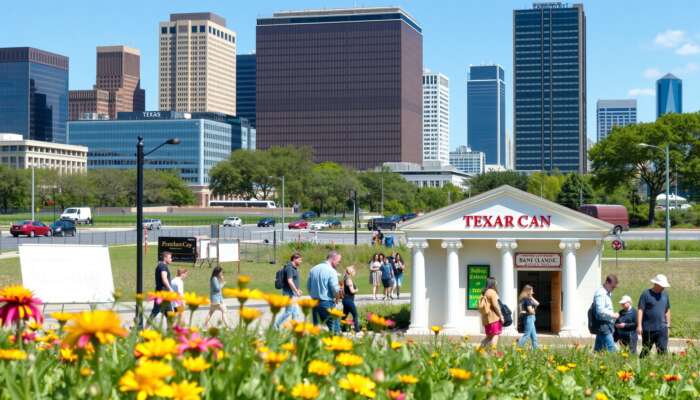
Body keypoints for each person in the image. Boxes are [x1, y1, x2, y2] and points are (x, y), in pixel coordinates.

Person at [637, 274, 671, 358]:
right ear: (656, 284)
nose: (664, 287)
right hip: (648, 329)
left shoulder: (665, 294)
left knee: (663, 350)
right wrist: (639, 325)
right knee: (646, 350)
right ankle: (641, 366)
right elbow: (640, 309)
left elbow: (667, 310)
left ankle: (663, 368)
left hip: (662, 328)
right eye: (662, 286)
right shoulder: (646, 294)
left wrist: (668, 325)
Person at [307, 250, 342, 332]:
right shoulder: (331, 271)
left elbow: (308, 286)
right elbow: (335, 288)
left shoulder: (313, 269)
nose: (338, 263)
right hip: (327, 302)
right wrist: (338, 297)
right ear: (333, 258)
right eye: (338, 261)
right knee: (335, 330)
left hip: (314, 302)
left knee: (316, 331)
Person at [275, 253, 304, 328]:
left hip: (292, 293)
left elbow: (293, 281)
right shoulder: (289, 268)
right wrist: (296, 291)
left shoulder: (293, 268)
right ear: (294, 259)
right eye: (300, 260)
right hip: (288, 293)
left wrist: (298, 289)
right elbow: (290, 281)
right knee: (288, 312)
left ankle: (294, 328)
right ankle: (275, 325)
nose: (301, 261)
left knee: (296, 312)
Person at [593, 274, 620, 352]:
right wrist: (613, 315)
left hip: (605, 325)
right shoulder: (601, 293)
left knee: (598, 351)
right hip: (603, 325)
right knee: (612, 350)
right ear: (607, 283)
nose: (613, 289)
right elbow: (600, 310)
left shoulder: (606, 293)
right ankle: (615, 363)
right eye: (612, 287)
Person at [478, 277, 504, 348]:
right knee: (495, 335)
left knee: (489, 337)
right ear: (493, 283)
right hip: (493, 318)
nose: (497, 283)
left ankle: (478, 351)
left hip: (486, 319)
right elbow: (495, 306)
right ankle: (493, 353)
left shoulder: (484, 292)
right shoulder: (492, 292)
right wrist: (501, 316)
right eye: (496, 282)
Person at [149, 251, 174, 321]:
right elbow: (164, 278)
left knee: (168, 313)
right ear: (165, 258)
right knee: (156, 312)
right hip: (163, 294)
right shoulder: (163, 266)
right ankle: (144, 329)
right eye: (170, 258)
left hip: (160, 292)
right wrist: (170, 288)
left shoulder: (160, 265)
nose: (171, 259)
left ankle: (170, 330)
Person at [517, 284, 540, 350]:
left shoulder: (527, 299)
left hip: (530, 318)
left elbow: (537, 303)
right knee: (527, 335)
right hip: (529, 318)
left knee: (534, 336)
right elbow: (531, 311)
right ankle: (517, 347)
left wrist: (531, 297)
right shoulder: (526, 300)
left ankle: (535, 350)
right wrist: (533, 311)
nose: (533, 291)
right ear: (528, 291)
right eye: (532, 290)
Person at [342, 265, 360, 333]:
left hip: (345, 300)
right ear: (350, 272)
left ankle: (342, 328)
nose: (354, 272)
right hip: (349, 300)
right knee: (355, 314)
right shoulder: (349, 279)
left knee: (344, 315)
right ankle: (357, 330)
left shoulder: (345, 278)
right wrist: (357, 290)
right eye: (353, 271)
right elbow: (352, 291)